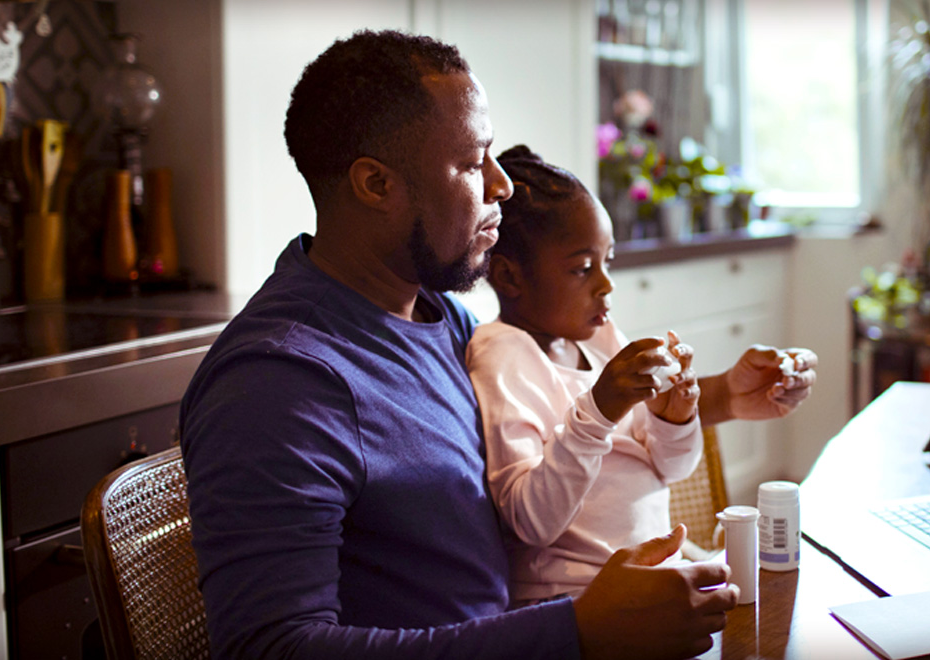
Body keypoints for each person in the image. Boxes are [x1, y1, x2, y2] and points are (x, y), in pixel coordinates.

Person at [180, 31, 745, 659]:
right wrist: (576, 631)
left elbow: (567, 409)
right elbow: (270, 650)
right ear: (376, 185)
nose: (501, 185)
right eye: (473, 162)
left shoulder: (440, 318)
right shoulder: (279, 384)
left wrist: (718, 394)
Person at [466, 145, 818, 604]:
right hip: (578, 604)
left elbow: (670, 468)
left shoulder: (598, 340)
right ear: (511, 278)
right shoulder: (504, 355)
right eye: (582, 268)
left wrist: (674, 420)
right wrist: (598, 412)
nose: (606, 284)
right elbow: (531, 521)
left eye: (607, 261)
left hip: (652, 583)